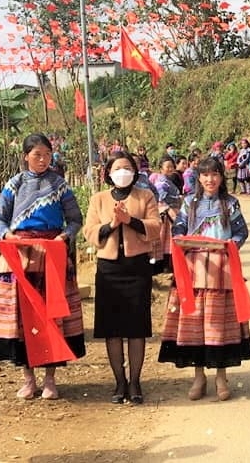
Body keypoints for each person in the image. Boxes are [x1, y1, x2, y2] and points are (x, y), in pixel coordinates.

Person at [0, 133, 86, 400]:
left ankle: (50, 378)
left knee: (52, 316)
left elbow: (75, 219)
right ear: (26, 156)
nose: (42, 160)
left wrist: (65, 236)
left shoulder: (60, 185)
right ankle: (28, 379)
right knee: (21, 318)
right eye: (37, 155)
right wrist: (7, 235)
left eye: (47, 155)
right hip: (19, 255)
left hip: (51, 255)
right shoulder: (14, 185)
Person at [158, 156, 250, 401]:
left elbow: (241, 231)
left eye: (214, 174)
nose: (210, 179)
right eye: (205, 175)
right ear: (198, 178)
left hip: (222, 272)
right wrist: (182, 241)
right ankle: (198, 376)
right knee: (195, 325)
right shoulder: (189, 203)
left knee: (219, 326)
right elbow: (178, 230)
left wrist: (231, 246)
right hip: (193, 272)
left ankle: (221, 376)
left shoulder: (230, 204)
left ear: (221, 177)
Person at [83, 150, 161, 404]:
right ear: (108, 173)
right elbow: (89, 230)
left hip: (137, 268)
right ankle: (119, 382)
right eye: (117, 168)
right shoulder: (99, 199)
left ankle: (136, 382)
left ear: (135, 172)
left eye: (127, 167)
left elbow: (155, 227)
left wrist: (130, 221)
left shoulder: (145, 196)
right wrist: (113, 225)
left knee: (136, 328)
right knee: (112, 329)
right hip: (108, 270)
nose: (123, 172)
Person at [150, 157, 182, 274]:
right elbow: (161, 198)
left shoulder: (168, 181)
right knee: (163, 242)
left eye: (171, 166)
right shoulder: (161, 182)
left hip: (171, 212)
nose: (170, 169)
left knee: (167, 242)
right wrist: (177, 199)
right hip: (166, 214)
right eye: (167, 166)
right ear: (161, 168)